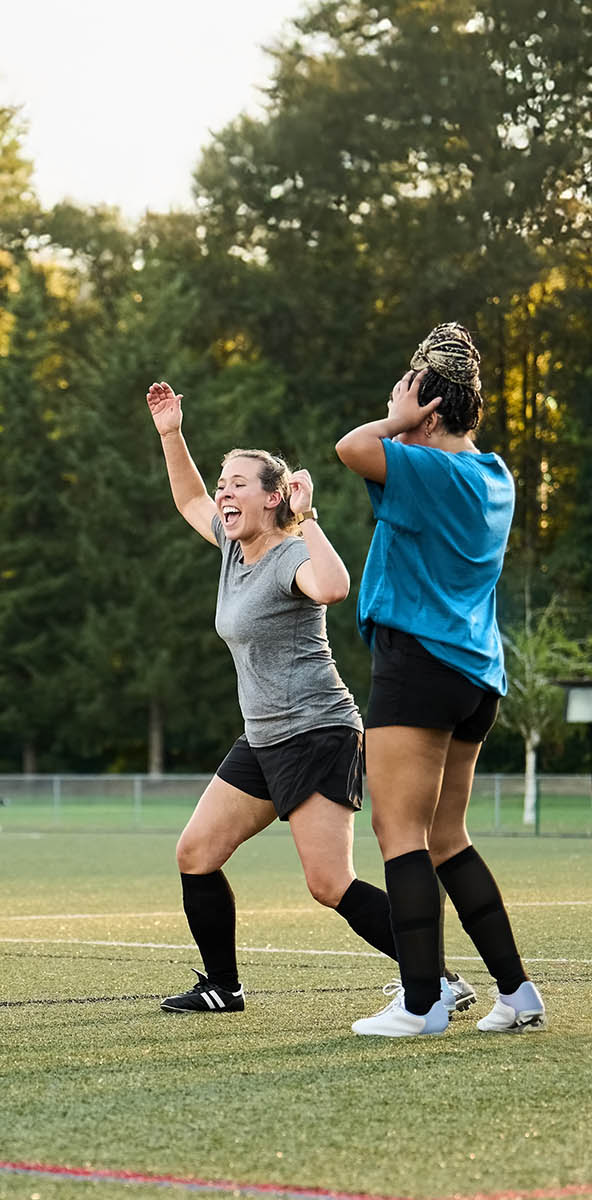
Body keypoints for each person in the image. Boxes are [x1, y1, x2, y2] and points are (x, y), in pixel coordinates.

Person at [143, 381, 468, 1015]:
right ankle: (222, 987)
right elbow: (187, 497)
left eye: (238, 484)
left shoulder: (291, 553)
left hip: (317, 732)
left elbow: (333, 587)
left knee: (329, 883)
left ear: (273, 498)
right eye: (223, 483)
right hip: (263, 737)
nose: (223, 493)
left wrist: (309, 516)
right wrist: (171, 433)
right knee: (196, 853)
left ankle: (438, 980)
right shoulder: (232, 550)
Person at [336, 323, 546, 1037]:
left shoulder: (423, 467)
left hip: (418, 665)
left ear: (427, 410)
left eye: (403, 398)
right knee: (448, 836)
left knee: (399, 830)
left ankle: (422, 1002)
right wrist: (412, 419)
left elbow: (351, 448)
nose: (391, 410)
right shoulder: (496, 475)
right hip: (477, 676)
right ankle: (517, 993)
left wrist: (397, 419)